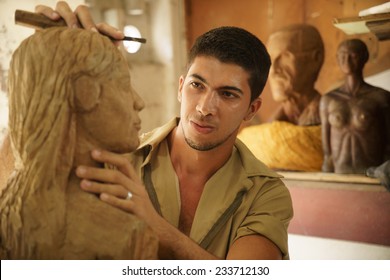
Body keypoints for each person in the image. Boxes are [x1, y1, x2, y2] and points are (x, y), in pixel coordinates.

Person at [35, 2, 293, 260]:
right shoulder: (118, 158)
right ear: (181, 87)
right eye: (197, 85)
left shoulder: (265, 193)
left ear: (252, 109)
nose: (205, 108)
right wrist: (50, 63)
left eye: (227, 94)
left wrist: (153, 225)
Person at [0, 27, 158, 259]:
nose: (139, 101)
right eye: (124, 84)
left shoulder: (8, 215)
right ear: (85, 93)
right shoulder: (127, 236)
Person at [320, 39, 390, 174]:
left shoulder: (380, 97)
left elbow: (389, 143)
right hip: (339, 175)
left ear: (365, 57)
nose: (346, 60)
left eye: (353, 55)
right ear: (337, 58)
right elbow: (326, 148)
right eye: (342, 55)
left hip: (373, 175)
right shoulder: (328, 100)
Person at [267, 24, 324, 126]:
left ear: (316, 59)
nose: (273, 70)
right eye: (269, 59)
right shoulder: (265, 131)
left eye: (285, 56)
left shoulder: (334, 118)